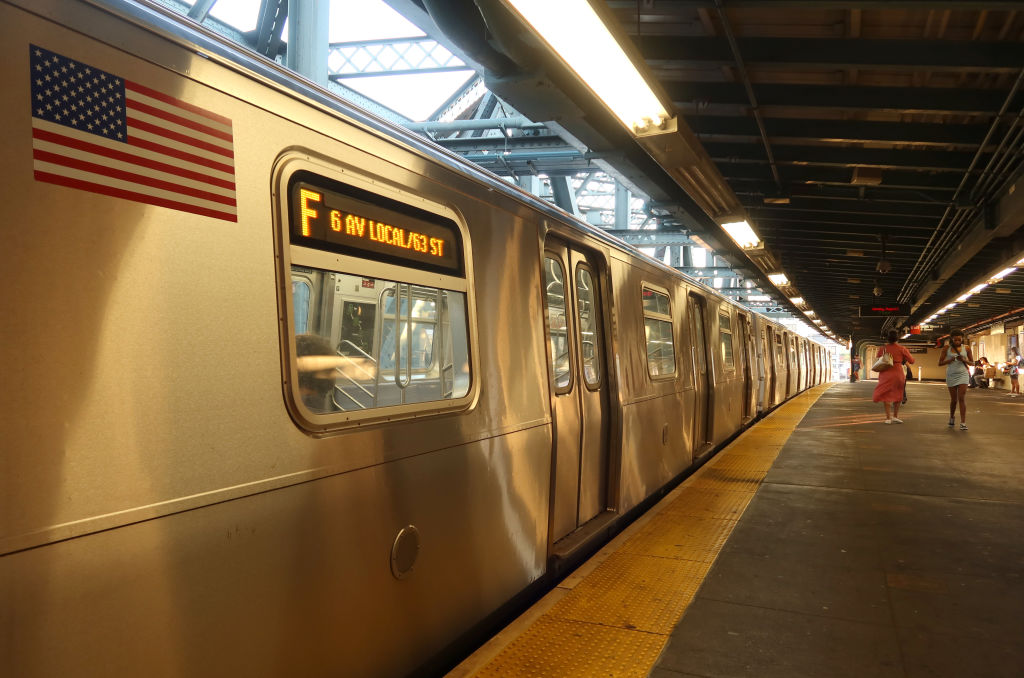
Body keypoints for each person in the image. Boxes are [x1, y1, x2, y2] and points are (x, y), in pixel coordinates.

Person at [872, 329, 915, 424]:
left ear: (888, 338)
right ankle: (895, 416)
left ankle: (888, 418)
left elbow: (879, 358)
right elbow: (912, 361)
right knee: (898, 393)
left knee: (886, 394)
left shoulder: (883, 348)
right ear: (897, 338)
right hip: (898, 373)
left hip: (886, 372)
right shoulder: (902, 348)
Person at [938, 330, 974, 430]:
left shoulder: (966, 348)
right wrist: (950, 360)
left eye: (959, 339)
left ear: (962, 339)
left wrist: (964, 360)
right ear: (951, 339)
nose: (957, 341)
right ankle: (952, 417)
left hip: (963, 374)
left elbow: (972, 363)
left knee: (961, 398)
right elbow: (940, 363)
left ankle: (963, 422)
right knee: (954, 400)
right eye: (955, 339)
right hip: (951, 374)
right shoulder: (946, 348)